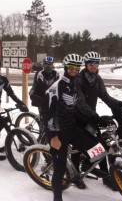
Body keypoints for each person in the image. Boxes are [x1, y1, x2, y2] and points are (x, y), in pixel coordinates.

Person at [42, 54, 108, 201]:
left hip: (71, 127)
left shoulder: (73, 86)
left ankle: (86, 166)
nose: (74, 70)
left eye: (76, 68)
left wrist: (95, 119)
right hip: (58, 132)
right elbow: (46, 114)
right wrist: (53, 137)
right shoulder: (56, 87)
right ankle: (57, 197)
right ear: (66, 68)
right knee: (59, 168)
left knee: (98, 149)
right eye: (71, 67)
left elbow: (74, 110)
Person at [74, 51, 122, 190]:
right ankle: (76, 175)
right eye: (90, 63)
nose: (93, 66)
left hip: (92, 116)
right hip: (77, 116)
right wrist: (96, 116)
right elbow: (80, 102)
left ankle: (106, 176)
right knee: (77, 148)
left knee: (101, 145)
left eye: (96, 63)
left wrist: (121, 105)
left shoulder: (97, 79)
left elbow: (105, 96)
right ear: (86, 64)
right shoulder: (78, 79)